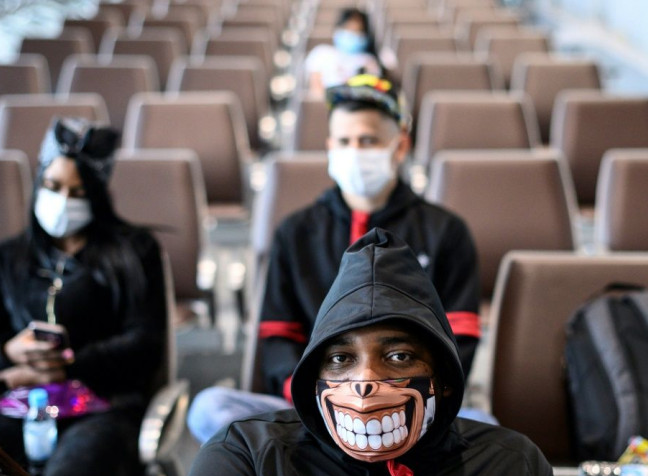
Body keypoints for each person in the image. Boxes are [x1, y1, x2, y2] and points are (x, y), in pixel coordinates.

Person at [187, 74, 483, 443]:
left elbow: (460, 337)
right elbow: (278, 335)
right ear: (329, 147)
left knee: (486, 426)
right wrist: (323, 399)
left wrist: (400, 398)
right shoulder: (296, 231)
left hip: (411, 406)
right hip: (316, 402)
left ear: (400, 146)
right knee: (211, 408)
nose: (354, 151)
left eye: (368, 140)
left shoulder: (445, 231)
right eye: (344, 141)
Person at [186, 228, 556, 476]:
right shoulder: (245, 459)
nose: (365, 385)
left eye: (398, 356)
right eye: (340, 359)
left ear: (443, 378)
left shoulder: (510, 467)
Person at [0, 118, 167, 476]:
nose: (62, 202)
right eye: (52, 187)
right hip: (19, 402)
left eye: (77, 192)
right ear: (38, 184)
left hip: (103, 407)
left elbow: (145, 344)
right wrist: (7, 354)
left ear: (96, 195)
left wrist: (68, 365)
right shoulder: (4, 259)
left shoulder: (133, 253)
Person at [305, 8, 383, 97]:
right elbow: (316, 89)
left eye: (357, 31)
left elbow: (373, 92)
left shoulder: (369, 61)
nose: (351, 34)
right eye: (347, 28)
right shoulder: (322, 53)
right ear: (338, 28)